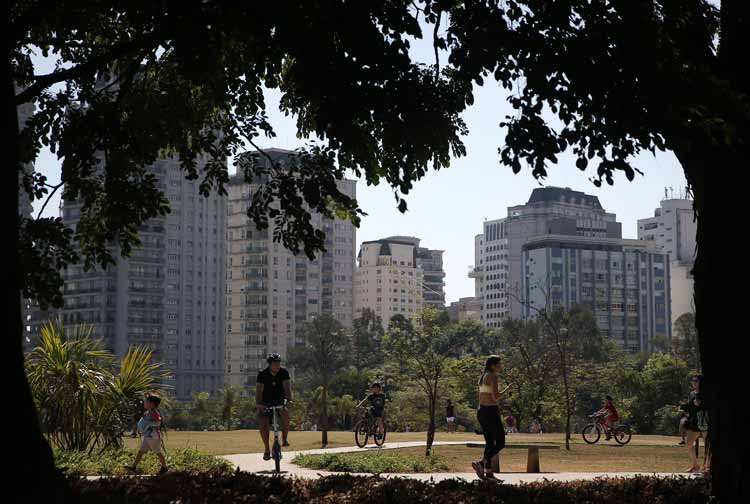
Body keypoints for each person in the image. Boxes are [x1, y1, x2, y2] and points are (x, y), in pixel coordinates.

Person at [471, 355, 513, 480]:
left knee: (490, 443)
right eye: (499, 365)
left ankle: (489, 474)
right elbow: (495, 397)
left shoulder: (483, 376)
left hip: (482, 412)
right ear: (492, 365)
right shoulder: (493, 376)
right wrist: (507, 389)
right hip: (491, 412)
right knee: (500, 442)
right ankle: (481, 463)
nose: (501, 367)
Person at [256, 353, 292, 461]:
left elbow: (287, 388)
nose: (277, 365)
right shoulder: (262, 374)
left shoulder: (284, 372)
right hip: (266, 402)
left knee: (285, 414)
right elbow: (258, 391)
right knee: (263, 424)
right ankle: (267, 449)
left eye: (279, 363)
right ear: (270, 364)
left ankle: (284, 439)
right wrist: (259, 404)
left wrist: (289, 401)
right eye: (275, 363)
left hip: (280, 400)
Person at [126, 395, 168, 474]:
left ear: (152, 404)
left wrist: (149, 424)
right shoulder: (147, 412)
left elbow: (158, 421)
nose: (144, 403)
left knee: (158, 452)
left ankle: (164, 467)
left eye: (146, 402)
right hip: (147, 436)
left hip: (153, 437)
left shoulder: (154, 413)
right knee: (141, 451)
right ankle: (134, 466)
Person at [681, 374, 709, 473]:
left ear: (701, 382)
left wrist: (701, 404)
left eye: (696, 381)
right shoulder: (692, 394)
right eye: (693, 380)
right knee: (688, 443)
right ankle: (695, 465)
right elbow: (690, 406)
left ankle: (707, 467)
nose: (693, 382)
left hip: (705, 422)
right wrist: (684, 409)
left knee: (708, 446)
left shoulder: (706, 393)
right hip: (694, 423)